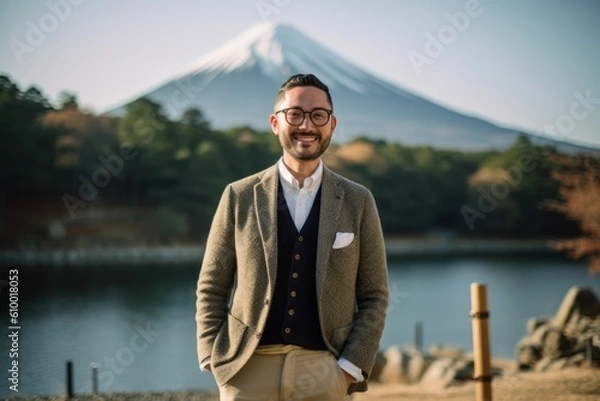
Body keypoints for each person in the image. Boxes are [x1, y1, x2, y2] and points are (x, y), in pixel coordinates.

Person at [196, 73, 389, 400]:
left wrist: (347, 370)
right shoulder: (239, 195)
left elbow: (375, 295)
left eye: (318, 115)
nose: (307, 125)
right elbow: (212, 284)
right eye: (295, 114)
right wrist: (213, 358)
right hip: (247, 370)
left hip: (324, 372)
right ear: (275, 122)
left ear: (332, 124)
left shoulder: (358, 200)